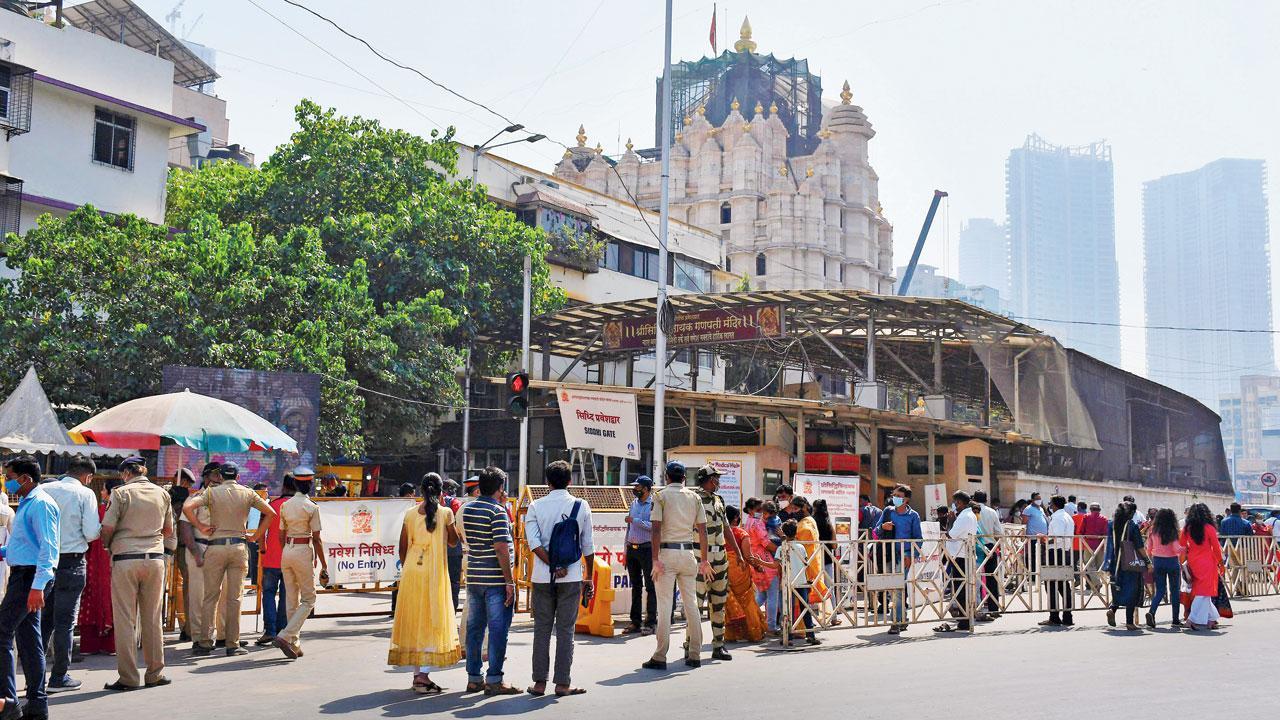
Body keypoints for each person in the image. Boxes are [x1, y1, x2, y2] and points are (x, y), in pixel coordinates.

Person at [183, 461, 276, 656]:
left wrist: (200, 526)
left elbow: (188, 508)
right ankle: (232, 644)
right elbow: (271, 513)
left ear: (220, 476)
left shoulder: (210, 493)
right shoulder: (247, 492)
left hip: (215, 547)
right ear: (238, 477)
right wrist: (257, 535)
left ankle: (205, 642)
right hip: (239, 546)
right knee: (235, 597)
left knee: (210, 596)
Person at [99, 456, 175, 692]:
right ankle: (155, 673)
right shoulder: (162, 494)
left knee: (125, 619)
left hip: (125, 560)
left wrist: (108, 545)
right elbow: (169, 529)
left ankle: (129, 678)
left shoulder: (121, 494)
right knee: (152, 618)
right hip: (154, 559)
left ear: (125, 474)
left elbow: (108, 528)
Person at [523, 460, 594, 697]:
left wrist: (553, 566)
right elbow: (588, 547)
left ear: (547, 482)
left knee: (542, 630)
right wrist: (588, 578)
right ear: (570, 481)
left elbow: (533, 544)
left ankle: (539, 684)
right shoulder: (581, 506)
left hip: (543, 577)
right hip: (572, 577)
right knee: (566, 630)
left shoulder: (535, 506)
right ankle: (562, 684)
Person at [388, 473, 460, 695]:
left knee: (415, 620)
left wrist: (409, 564)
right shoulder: (446, 513)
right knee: (431, 620)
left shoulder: (410, 514)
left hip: (412, 571)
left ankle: (417, 674)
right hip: (434, 573)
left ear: (421, 491)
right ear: (441, 492)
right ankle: (422, 676)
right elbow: (453, 541)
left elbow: (402, 547)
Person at [0, 457, 57, 719]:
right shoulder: (27, 502)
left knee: (2, 633)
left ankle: (8, 701)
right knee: (29, 640)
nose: (7, 481)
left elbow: (48, 549)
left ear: (25, 478)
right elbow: (24, 547)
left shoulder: (41, 504)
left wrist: (38, 586)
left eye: (9, 476)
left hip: (30, 578)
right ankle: (36, 703)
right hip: (26, 576)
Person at [643, 461, 712, 671]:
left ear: (666, 477)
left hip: (667, 554)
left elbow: (655, 530)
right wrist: (705, 560)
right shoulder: (694, 497)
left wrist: (655, 559)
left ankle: (660, 655)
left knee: (665, 605)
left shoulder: (660, 496)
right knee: (691, 603)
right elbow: (703, 531)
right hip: (689, 554)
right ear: (684, 478)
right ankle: (695, 653)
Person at [39, 455, 100, 693]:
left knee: (43, 621)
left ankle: (36, 676)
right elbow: (92, 532)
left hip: (44, 562)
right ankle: (59, 676)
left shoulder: (44, 489)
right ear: (88, 476)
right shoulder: (85, 494)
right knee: (64, 623)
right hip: (72, 563)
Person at [458, 466, 518, 695]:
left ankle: (474, 678)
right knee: (498, 629)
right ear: (500, 487)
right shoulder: (497, 511)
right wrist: (510, 582)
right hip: (495, 579)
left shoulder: (469, 509)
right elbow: (502, 548)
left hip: (474, 576)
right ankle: (494, 679)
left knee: (475, 629)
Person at [692, 464, 743, 662]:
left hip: (720, 556)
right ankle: (691, 645)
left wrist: (737, 552)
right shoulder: (694, 500)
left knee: (719, 602)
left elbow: (726, 528)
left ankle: (718, 645)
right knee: (695, 604)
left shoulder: (719, 500)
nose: (719, 482)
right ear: (710, 479)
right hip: (699, 557)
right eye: (717, 478)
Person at [273, 472, 327, 659]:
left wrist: (287, 551)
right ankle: (286, 636)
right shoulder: (311, 507)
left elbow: (281, 534)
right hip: (303, 550)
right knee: (309, 599)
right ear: (310, 486)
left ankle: (294, 643)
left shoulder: (286, 505)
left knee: (291, 599)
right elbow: (317, 539)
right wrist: (324, 564)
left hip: (287, 549)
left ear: (295, 485)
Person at [179, 463, 228, 654]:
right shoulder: (195, 499)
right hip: (199, 546)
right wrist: (195, 552)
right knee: (199, 595)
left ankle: (223, 635)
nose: (218, 479)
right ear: (206, 478)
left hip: (221, 548)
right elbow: (185, 527)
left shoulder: (226, 498)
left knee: (223, 594)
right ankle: (199, 637)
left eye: (220, 476)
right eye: (214, 476)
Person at [78, 477, 117, 658]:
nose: (101, 492)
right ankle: (111, 644)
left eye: (103, 489)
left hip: (95, 558)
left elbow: (90, 533)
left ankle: (90, 644)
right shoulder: (123, 511)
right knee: (115, 598)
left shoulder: (100, 510)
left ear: (109, 492)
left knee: (92, 595)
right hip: (115, 559)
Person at [876, 485, 922, 635]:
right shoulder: (888, 511)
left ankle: (896, 621)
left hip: (904, 555)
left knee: (898, 587)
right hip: (887, 554)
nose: (894, 497)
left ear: (906, 498)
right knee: (893, 588)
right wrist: (883, 526)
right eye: (893, 494)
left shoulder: (913, 515)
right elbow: (876, 531)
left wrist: (911, 555)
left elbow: (918, 539)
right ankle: (903, 618)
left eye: (898, 495)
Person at [255, 474, 293, 647]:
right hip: (291, 559)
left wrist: (262, 548)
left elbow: (261, 530)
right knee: (286, 595)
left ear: (283, 487)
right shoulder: (300, 507)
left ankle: (269, 631)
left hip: (271, 558)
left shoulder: (272, 506)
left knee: (269, 593)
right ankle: (282, 631)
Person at [1103, 501, 1149, 631]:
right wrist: (1147, 561)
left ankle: (1112, 609)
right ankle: (1129, 622)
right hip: (1129, 563)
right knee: (1132, 591)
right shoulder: (1131, 526)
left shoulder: (1111, 524)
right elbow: (1139, 546)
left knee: (1118, 589)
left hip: (1114, 563)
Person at [723, 506, 765, 642]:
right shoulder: (741, 534)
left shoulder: (719, 533)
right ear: (736, 518)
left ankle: (732, 635)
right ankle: (754, 633)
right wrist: (758, 566)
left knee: (729, 603)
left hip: (724, 570)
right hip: (739, 570)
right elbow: (747, 555)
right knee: (747, 602)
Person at [937, 492, 977, 633]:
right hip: (962, 554)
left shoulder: (963, 517)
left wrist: (951, 521)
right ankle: (964, 619)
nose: (953, 506)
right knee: (962, 588)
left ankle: (963, 620)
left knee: (960, 588)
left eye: (954, 502)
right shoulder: (969, 515)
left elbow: (951, 534)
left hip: (960, 555)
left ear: (959, 503)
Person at [1181, 503, 1224, 631]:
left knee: (1203, 591)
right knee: (1203, 591)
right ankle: (1192, 619)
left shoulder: (1187, 528)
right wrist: (1221, 563)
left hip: (1193, 561)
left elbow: (1182, 544)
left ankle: (1211, 619)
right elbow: (1216, 548)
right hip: (1207, 561)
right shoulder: (1209, 528)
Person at [623, 475, 656, 636]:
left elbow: (654, 527)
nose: (635, 489)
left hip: (647, 549)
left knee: (651, 587)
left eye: (638, 487)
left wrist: (634, 520)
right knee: (635, 586)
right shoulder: (634, 503)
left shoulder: (654, 504)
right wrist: (625, 550)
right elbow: (628, 529)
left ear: (646, 488)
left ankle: (650, 623)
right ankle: (635, 621)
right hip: (632, 549)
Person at [780, 519, 819, 645]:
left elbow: (775, 565)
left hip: (788, 582)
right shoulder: (801, 547)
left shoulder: (782, 548)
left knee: (788, 610)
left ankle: (788, 637)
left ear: (783, 533)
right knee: (805, 608)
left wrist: (760, 563)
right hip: (801, 581)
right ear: (796, 532)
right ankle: (811, 635)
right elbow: (806, 563)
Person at [1040, 495, 1075, 627]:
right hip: (1064, 553)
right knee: (1063, 585)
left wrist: (1044, 539)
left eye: (1050, 503)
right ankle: (1067, 616)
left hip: (1055, 553)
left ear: (1054, 505)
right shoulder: (1067, 517)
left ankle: (1054, 617)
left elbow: (1057, 538)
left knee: (1052, 585)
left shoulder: (1058, 518)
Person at [1145, 508, 1183, 628]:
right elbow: (1177, 549)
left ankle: (1151, 612)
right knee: (1175, 591)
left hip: (1158, 561)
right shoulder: (1173, 531)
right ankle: (1175, 620)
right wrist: (1187, 548)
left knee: (1160, 590)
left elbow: (1149, 549)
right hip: (1172, 562)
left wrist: (1149, 562)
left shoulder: (1152, 530)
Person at [749, 501, 780, 636]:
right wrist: (782, 549)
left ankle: (749, 620)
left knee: (761, 595)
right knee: (773, 595)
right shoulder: (759, 524)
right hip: (765, 561)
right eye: (770, 515)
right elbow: (766, 543)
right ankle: (771, 627)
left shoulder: (750, 521)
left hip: (755, 561)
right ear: (765, 513)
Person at [971, 490, 1003, 617]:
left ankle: (976, 607)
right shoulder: (992, 512)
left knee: (974, 576)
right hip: (990, 545)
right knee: (991, 577)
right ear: (986, 499)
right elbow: (998, 531)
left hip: (975, 545)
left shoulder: (972, 511)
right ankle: (993, 608)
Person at [1079, 503, 1110, 595]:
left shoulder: (1086, 517)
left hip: (1088, 544)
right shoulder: (1104, 519)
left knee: (1089, 565)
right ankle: (1097, 585)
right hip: (1100, 545)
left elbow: (1081, 531)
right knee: (1099, 566)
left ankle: (1097, 583)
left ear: (1091, 509)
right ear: (1099, 510)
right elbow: (1105, 533)